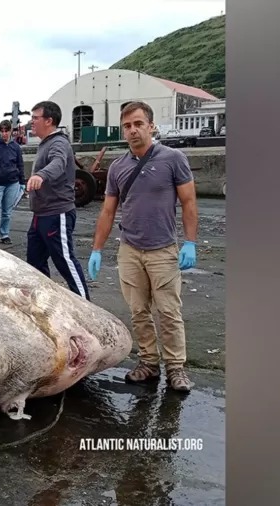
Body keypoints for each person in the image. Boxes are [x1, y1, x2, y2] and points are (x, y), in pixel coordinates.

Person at [86, 100, 198, 392]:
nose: (133, 130)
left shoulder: (173, 159)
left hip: (163, 249)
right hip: (130, 249)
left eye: (138, 124)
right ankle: (149, 362)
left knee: (169, 312)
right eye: (127, 126)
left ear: (151, 126)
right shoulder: (118, 167)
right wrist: (97, 249)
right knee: (138, 312)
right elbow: (108, 211)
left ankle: (176, 368)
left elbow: (188, 202)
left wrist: (190, 242)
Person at [25, 100, 91, 301]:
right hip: (41, 214)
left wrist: (41, 175)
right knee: (34, 262)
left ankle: (86, 305)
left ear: (49, 121)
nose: (31, 122)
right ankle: (43, 302)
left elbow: (58, 163)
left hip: (57, 213)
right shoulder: (45, 143)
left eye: (36, 118)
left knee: (64, 260)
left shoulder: (59, 143)